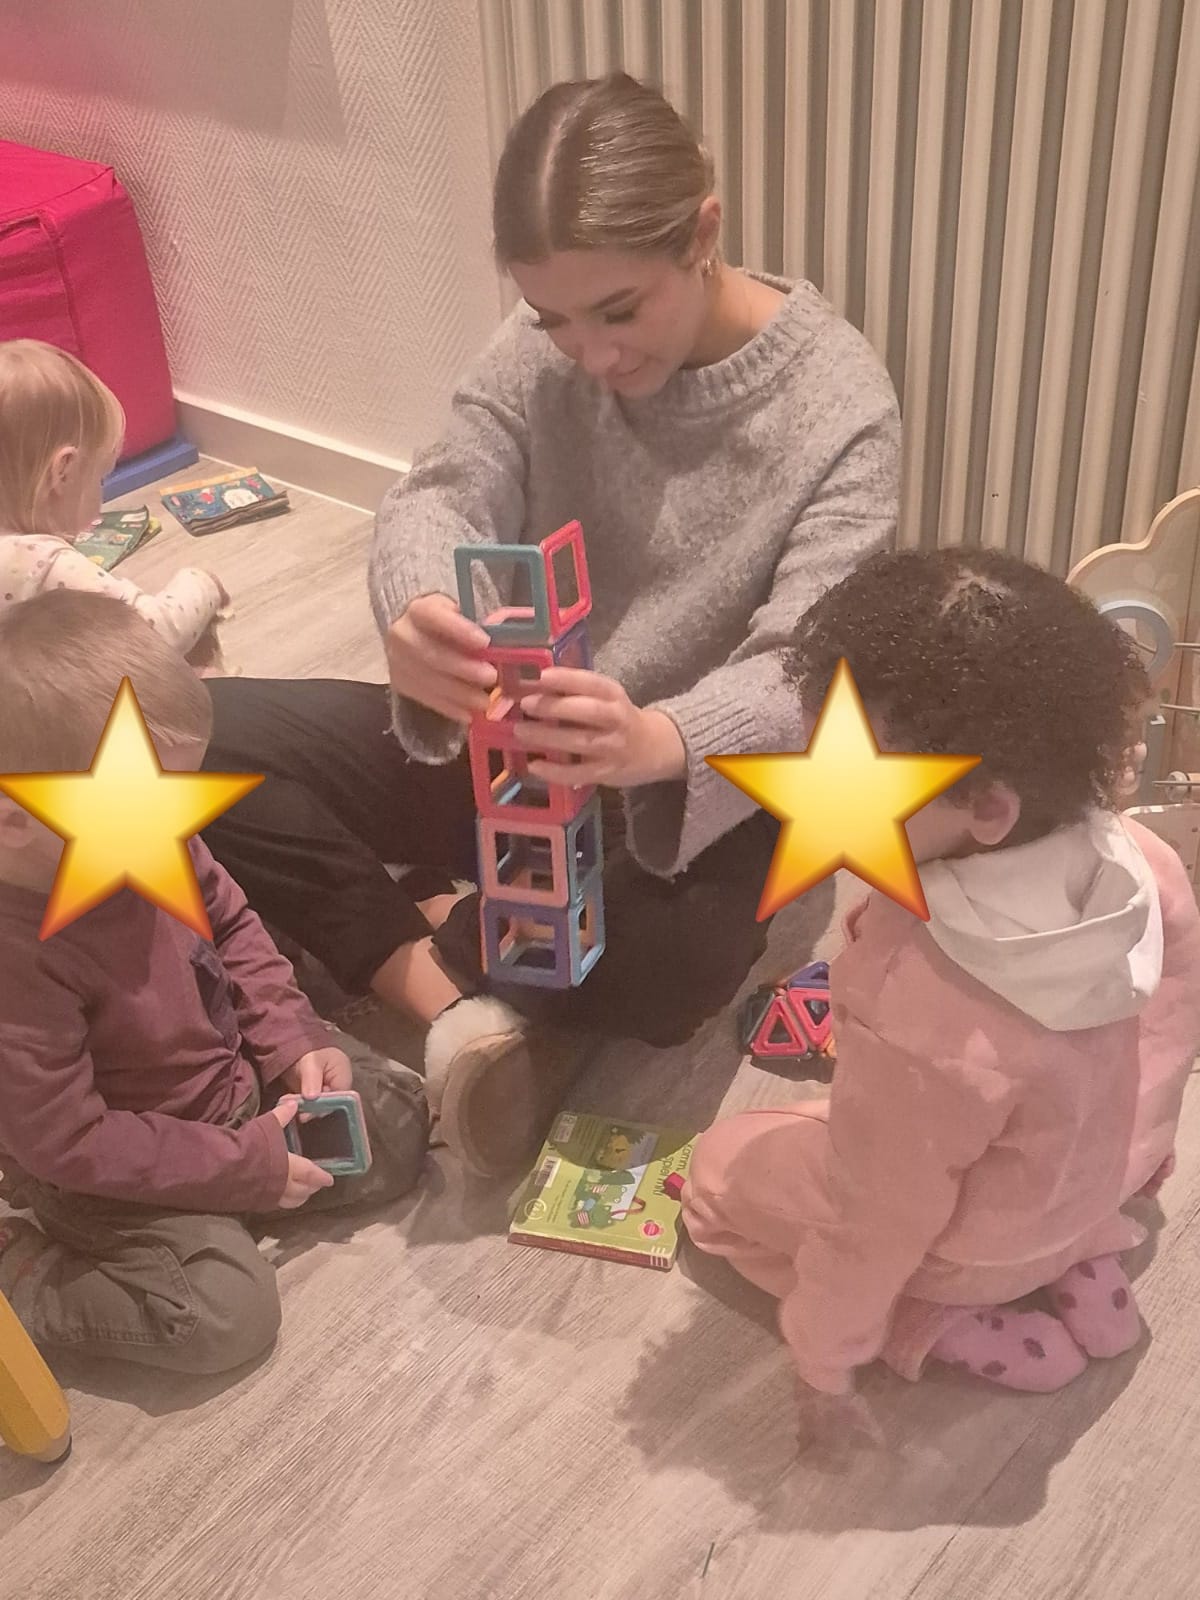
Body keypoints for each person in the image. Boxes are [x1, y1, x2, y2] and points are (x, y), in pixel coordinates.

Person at [199, 72, 901, 1178]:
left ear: (703, 233)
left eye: (619, 311)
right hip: (515, 744)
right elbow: (443, 485)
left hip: (684, 790)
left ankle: (439, 927)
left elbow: (805, 666)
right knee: (180, 742)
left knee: (676, 969)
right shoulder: (546, 347)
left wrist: (657, 739)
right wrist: (418, 604)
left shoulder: (841, 402)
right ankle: (440, 980)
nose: (592, 355)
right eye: (552, 319)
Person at [681, 548, 1200, 1437]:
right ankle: (1080, 1257)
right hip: (1094, 1183)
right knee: (878, 1137)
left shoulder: (918, 1009)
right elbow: (1169, 1033)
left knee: (717, 1175)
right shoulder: (1144, 861)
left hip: (972, 1249)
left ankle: (928, 1323)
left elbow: (877, 1218)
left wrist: (826, 1360)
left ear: (987, 811)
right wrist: (1140, 1162)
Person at [0, 592, 429, 1376]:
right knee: (224, 1315)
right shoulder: (18, 962)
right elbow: (70, 1143)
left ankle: (251, 1193)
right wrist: (245, 1168)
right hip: (110, 1175)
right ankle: (24, 1279)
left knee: (397, 1123)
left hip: (232, 1094)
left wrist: (292, 1038)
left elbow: (233, 928)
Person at [0, 338, 230, 668]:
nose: (101, 493)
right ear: (63, 472)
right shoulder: (43, 563)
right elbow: (153, 635)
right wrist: (202, 584)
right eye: (99, 478)